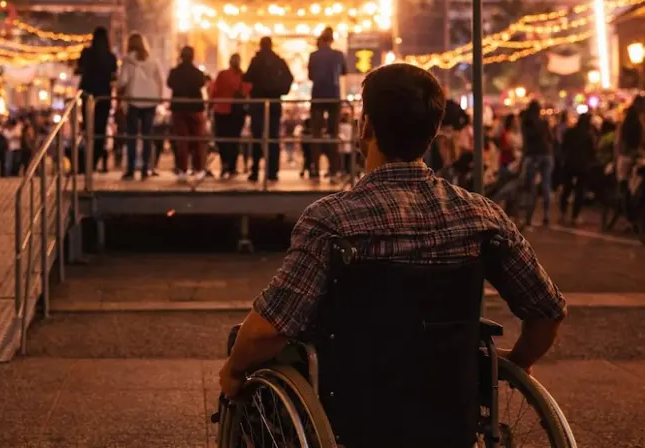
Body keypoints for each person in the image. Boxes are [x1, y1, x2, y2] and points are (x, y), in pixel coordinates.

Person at [220, 64, 566, 436]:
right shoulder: (482, 217)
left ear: (366, 127)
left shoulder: (332, 220)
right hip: (450, 410)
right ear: (433, 133)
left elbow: (266, 331)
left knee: (244, 344)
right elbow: (547, 310)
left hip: (353, 414)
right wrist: (518, 363)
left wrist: (234, 370)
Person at [244, 36, 294, 182]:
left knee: (257, 137)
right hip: (274, 102)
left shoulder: (256, 61)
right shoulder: (279, 61)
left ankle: (254, 171)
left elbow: (247, 77)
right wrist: (281, 90)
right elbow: (289, 77)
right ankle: (272, 172)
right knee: (273, 137)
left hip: (258, 102)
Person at [117, 33, 164, 180]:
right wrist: (159, 97)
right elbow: (160, 79)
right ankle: (146, 169)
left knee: (132, 136)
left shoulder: (128, 60)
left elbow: (122, 81)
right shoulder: (153, 60)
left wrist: (118, 92)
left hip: (134, 100)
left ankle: (130, 169)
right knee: (147, 135)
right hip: (150, 100)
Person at [76, 26, 118, 172]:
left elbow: (79, 68)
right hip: (104, 96)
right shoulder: (111, 57)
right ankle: (94, 162)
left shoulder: (86, 53)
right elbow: (114, 75)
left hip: (88, 95)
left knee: (88, 128)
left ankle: (86, 162)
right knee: (100, 130)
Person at [307, 27, 346, 180]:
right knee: (333, 133)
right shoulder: (338, 55)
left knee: (316, 133)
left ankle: (315, 167)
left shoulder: (313, 56)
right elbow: (343, 71)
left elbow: (310, 76)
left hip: (317, 96)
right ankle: (334, 168)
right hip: (334, 96)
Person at [167, 46, 208, 181]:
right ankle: (198, 169)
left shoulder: (174, 72)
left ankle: (183, 169)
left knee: (182, 140)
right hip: (195, 108)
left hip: (179, 108)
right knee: (197, 139)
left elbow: (169, 83)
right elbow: (202, 83)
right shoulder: (197, 73)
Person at [210, 53, 251, 178]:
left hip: (221, 110)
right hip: (236, 112)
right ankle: (232, 167)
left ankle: (225, 164)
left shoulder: (222, 74)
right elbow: (247, 91)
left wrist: (210, 105)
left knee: (222, 139)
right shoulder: (243, 77)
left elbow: (214, 91)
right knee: (234, 139)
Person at [559, 113, 596, 225]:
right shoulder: (588, 135)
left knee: (567, 188)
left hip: (569, 163)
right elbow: (592, 152)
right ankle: (574, 216)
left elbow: (563, 146)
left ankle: (563, 213)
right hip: (583, 165)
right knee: (579, 191)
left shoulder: (570, 132)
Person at [522, 100, 554, 227]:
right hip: (547, 155)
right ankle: (546, 216)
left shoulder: (527, 123)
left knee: (531, 187)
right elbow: (551, 138)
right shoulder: (544, 123)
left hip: (533, 156)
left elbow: (525, 143)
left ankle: (528, 218)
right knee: (546, 186)